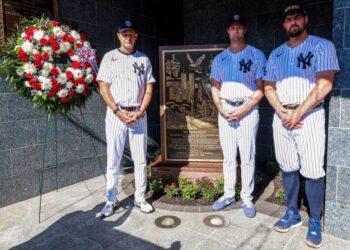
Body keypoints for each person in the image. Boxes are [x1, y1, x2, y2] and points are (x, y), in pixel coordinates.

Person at [263, 3, 339, 248]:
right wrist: (282, 111)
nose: (292, 22)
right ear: (284, 25)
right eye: (288, 19)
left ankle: (315, 220)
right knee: (287, 166)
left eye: (297, 17)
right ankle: (292, 213)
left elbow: (325, 84)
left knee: (313, 170)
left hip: (310, 115)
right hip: (282, 114)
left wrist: (298, 113)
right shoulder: (276, 53)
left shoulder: (321, 45)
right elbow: (268, 86)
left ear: (305, 20)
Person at [97, 20, 156, 216]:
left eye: (131, 33)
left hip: (138, 113)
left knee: (140, 160)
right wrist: (117, 112)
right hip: (116, 114)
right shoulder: (109, 57)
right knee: (113, 159)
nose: (128, 37)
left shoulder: (144, 59)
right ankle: (111, 200)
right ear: (119, 36)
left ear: (136, 36)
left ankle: (140, 198)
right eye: (124, 34)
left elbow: (149, 88)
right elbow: (104, 88)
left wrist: (141, 111)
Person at [210, 14, 266, 218]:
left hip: (247, 110)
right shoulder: (220, 58)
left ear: (245, 30)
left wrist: (243, 109)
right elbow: (215, 87)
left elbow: (262, 88)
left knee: (247, 157)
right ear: (228, 31)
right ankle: (228, 195)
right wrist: (221, 109)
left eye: (239, 27)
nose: (236, 31)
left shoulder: (257, 55)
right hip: (225, 110)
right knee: (228, 157)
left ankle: (247, 198)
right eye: (232, 27)